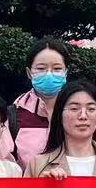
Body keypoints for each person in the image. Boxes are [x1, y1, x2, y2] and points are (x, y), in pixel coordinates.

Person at [28, 79, 96, 179]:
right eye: (74, 109)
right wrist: (42, 185)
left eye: (91, 109)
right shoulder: (38, 165)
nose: (83, 116)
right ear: (59, 114)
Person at [11, 37, 74, 168]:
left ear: (66, 72)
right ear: (29, 73)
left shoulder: (79, 113)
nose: (49, 74)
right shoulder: (13, 116)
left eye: (57, 68)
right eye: (41, 68)